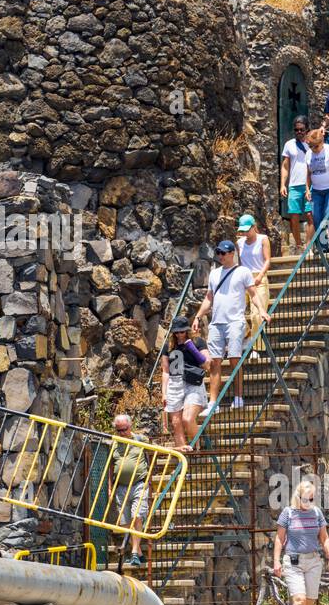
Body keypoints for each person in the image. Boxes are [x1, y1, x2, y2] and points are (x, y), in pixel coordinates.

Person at [191, 240, 270, 415]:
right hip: (217, 323)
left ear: (232, 253)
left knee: (235, 360)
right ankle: (213, 403)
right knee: (215, 362)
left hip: (235, 321)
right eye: (218, 252)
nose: (220, 256)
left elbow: (253, 294)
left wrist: (262, 310)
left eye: (223, 253)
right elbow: (209, 298)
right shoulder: (214, 274)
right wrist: (198, 316)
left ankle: (238, 397)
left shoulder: (243, 272)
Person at [273, 479, 329, 605]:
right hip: (293, 561)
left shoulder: (317, 513)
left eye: (312, 499)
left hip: (314, 561)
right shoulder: (288, 513)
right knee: (299, 599)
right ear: (298, 497)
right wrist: (276, 561)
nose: (309, 502)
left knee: (309, 600)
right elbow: (279, 538)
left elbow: (324, 538)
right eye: (306, 499)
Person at [109, 412, 150, 568]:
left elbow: (155, 451)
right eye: (118, 430)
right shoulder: (114, 443)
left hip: (139, 483)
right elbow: (110, 467)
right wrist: (110, 487)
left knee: (137, 516)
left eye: (124, 429)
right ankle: (138, 552)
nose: (122, 433)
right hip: (121, 486)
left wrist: (179, 447)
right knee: (126, 521)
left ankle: (133, 552)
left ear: (130, 426)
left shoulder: (140, 440)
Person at [160, 318, 209, 449]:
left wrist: (191, 347)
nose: (179, 335)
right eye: (176, 333)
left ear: (187, 331)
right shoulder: (168, 346)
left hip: (193, 384)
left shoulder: (198, 342)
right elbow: (165, 371)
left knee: (187, 419)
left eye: (182, 332)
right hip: (174, 385)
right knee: (176, 423)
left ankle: (197, 445)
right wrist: (164, 393)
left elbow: (206, 364)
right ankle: (183, 456)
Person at [280, 116, 314, 251]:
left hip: (310, 184)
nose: (299, 132)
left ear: (307, 129)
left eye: (302, 129)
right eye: (296, 130)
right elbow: (285, 166)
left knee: (310, 214)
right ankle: (299, 245)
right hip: (294, 185)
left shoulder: (312, 143)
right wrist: (283, 184)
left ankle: (309, 246)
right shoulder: (289, 144)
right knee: (294, 215)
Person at [237, 214, 271, 348]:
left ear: (254, 226)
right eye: (243, 230)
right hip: (243, 279)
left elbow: (267, 260)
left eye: (247, 230)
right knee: (235, 313)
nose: (245, 233)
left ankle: (257, 347)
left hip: (259, 278)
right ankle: (248, 338)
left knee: (257, 315)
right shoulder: (239, 243)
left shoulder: (263, 239)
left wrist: (260, 276)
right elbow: (240, 263)